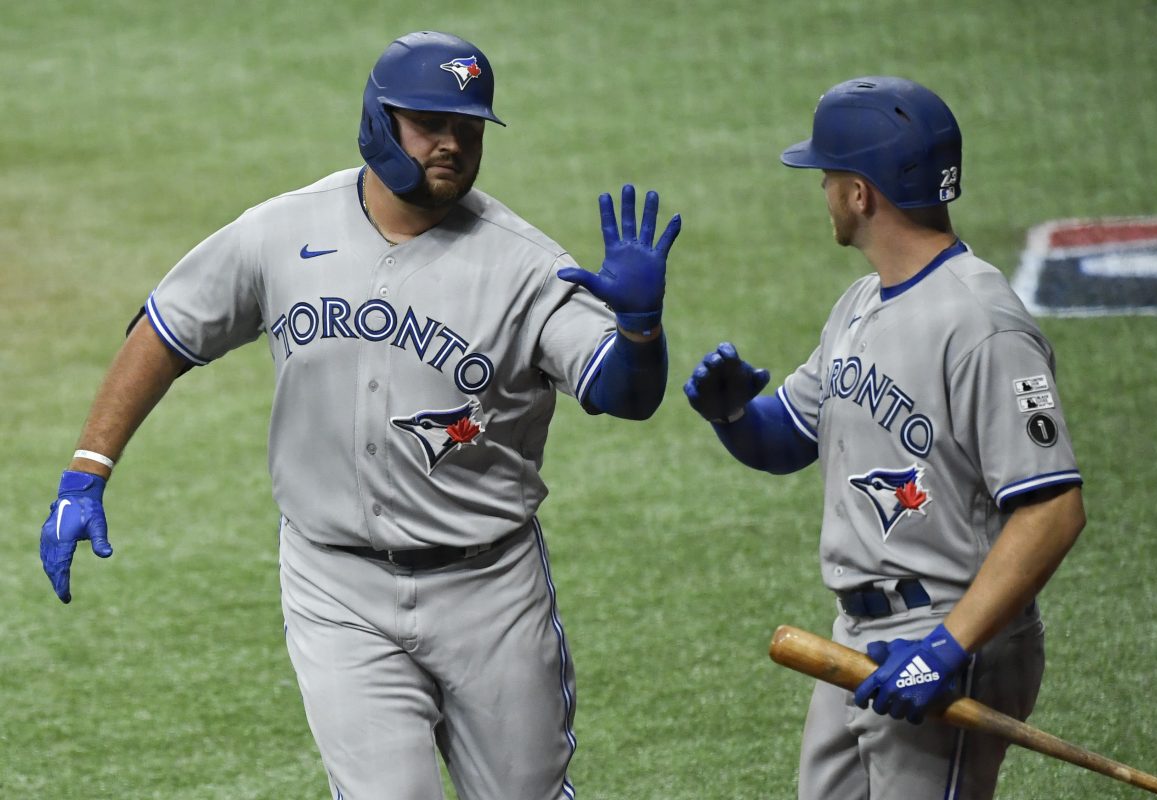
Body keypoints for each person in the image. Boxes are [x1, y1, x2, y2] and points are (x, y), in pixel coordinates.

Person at [39, 31, 681, 800]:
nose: (452, 144)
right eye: (430, 124)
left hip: (489, 589)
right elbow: (167, 331)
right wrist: (88, 470)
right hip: (335, 586)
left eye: (468, 128)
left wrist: (641, 334)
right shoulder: (282, 231)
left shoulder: (525, 266)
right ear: (379, 121)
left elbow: (623, 394)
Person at [684, 76, 1085, 799]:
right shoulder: (862, 304)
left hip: (952, 631)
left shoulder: (982, 326)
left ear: (861, 193)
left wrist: (946, 649)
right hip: (854, 640)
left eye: (829, 176)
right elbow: (789, 437)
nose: (824, 191)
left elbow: (1052, 510)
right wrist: (735, 415)